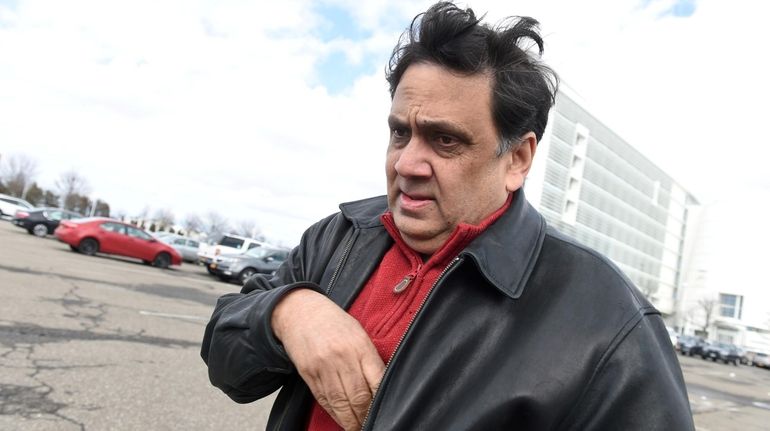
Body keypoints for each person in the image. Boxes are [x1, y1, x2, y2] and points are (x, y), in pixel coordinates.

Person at [201, 2, 695, 430]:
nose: (407, 164)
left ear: (517, 160)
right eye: (400, 134)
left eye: (445, 140)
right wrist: (288, 312)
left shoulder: (605, 319)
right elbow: (228, 366)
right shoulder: (338, 239)